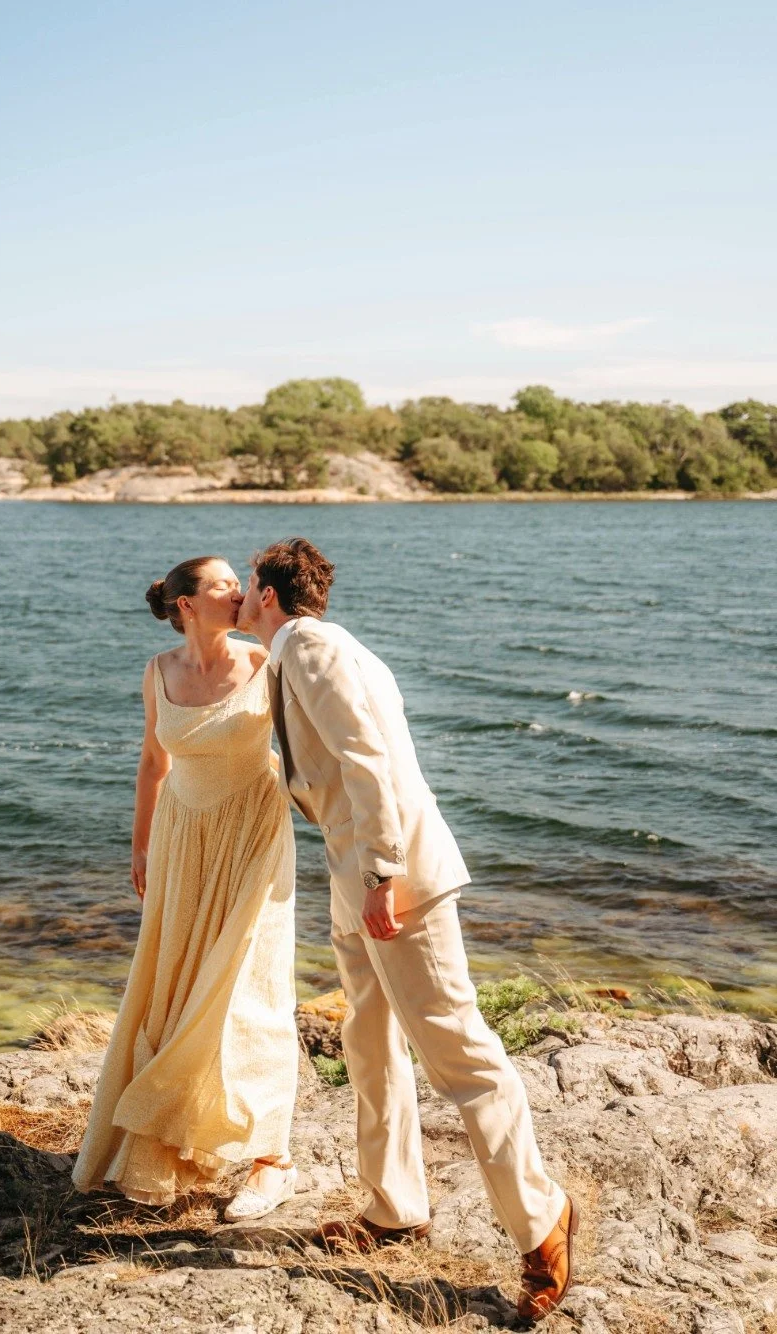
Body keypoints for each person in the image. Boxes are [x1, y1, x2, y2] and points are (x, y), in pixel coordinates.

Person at [235, 538, 577, 1322]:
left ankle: (542, 1221)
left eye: (249, 585)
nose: (244, 598)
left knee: (460, 1053)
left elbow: (370, 760)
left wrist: (386, 872)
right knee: (369, 1038)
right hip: (354, 873)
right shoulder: (305, 650)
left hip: (394, 879)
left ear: (270, 593)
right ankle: (394, 1204)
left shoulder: (313, 647)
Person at [72, 555, 300, 1222]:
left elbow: (311, 744)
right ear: (188, 606)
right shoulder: (159, 671)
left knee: (250, 992)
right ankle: (189, 1133)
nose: (242, 592)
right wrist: (140, 844)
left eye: (240, 582)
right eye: (225, 585)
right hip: (181, 839)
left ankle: (272, 1160)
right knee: (176, 990)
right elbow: (153, 760)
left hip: (253, 836)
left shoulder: (265, 665)